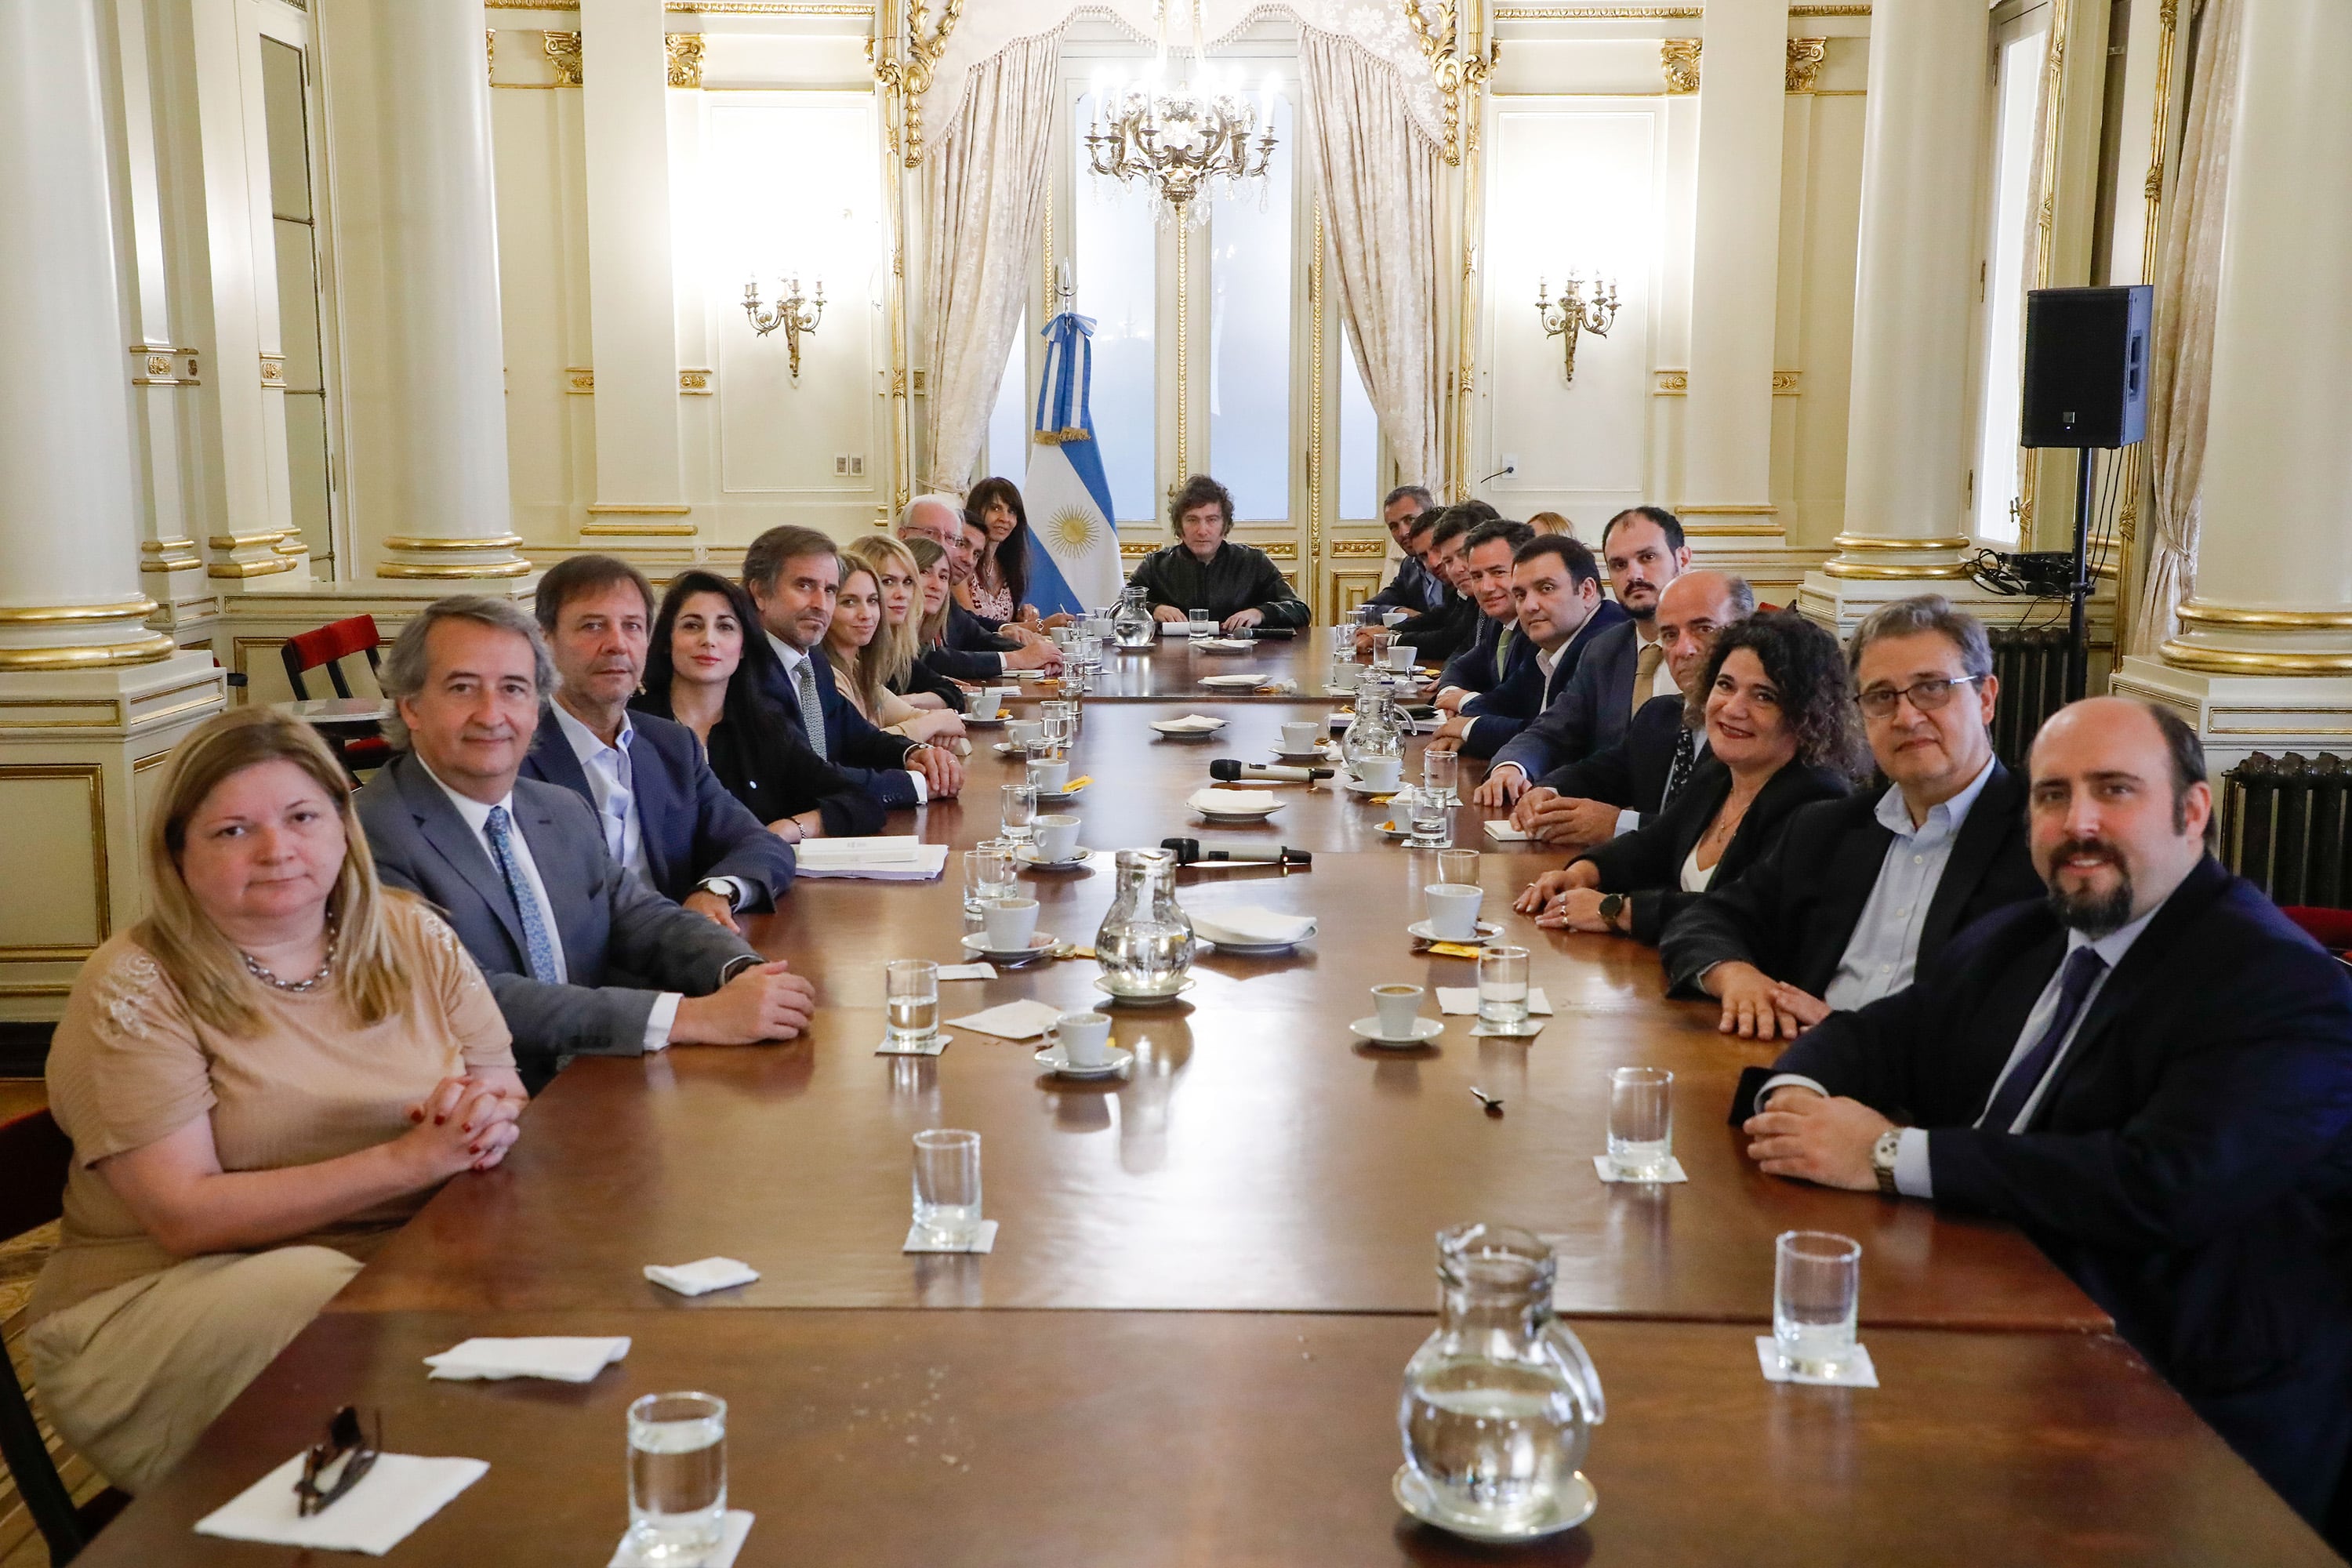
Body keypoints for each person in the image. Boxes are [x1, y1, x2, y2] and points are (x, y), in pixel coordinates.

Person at [1740, 698, 2352, 1541]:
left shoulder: (2278, 984)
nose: (2080, 822)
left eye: (2115, 790)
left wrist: (1885, 1153)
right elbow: (1879, 1035)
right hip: (1987, 1312)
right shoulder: (2028, 933)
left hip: (2178, 1409)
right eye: (2054, 795)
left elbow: (2161, 1185)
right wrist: (1799, 1100)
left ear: (2193, 810)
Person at [28, 709, 525, 1492]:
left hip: (395, 1269)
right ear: (177, 851)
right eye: (232, 831)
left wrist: (484, 1114)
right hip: (169, 1302)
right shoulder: (136, 985)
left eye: (301, 816)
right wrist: (407, 1159)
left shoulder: (412, 934)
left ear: (340, 821)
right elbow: (184, 1214)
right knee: (336, 1303)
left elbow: (501, 1079)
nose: (277, 849)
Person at [357, 596, 816, 1090]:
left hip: (596, 1080)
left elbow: (640, 917)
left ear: (537, 708)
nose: (492, 714)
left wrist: (741, 972)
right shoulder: (371, 833)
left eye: (514, 689)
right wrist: (688, 1017)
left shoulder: (557, 809)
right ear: (411, 708)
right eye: (463, 688)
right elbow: (466, 995)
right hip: (477, 1108)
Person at [1664, 596, 2044, 1039]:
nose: (1906, 716)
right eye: (1882, 697)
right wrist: (1736, 977)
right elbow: (1705, 919)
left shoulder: (2039, 840)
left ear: (1985, 698)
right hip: (1790, 1068)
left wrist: (1846, 1037)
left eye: (1932, 688)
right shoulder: (1826, 829)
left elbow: (2007, 1029)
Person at [1513, 612, 1863, 946]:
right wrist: (1581, 873)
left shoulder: (1816, 800)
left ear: (1808, 713)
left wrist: (1617, 910)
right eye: (1725, 686)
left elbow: (1746, 913)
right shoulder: (1721, 773)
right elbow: (1653, 845)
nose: (1733, 708)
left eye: (1763, 696)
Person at [521, 555, 795, 934]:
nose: (617, 644)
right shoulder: (514, 753)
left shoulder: (670, 745)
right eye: (593, 626)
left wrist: (716, 891)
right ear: (544, 640)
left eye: (632, 627)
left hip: (678, 958)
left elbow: (759, 844)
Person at [633, 569, 886, 844]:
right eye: (692, 626)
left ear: (743, 647)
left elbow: (862, 802)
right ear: (667, 642)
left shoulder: (764, 728)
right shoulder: (633, 726)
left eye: (725, 627)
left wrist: (788, 830)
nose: (709, 640)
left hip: (753, 877)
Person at [1506, 571, 1754, 844]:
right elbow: (1602, 774)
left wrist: (1619, 825)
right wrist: (1547, 792)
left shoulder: (1753, 728)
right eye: (1670, 635)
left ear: (1747, 633)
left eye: (1704, 629)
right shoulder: (1660, 715)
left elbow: (1731, 834)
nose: (1683, 649)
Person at [1474, 505, 1693, 806]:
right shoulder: (1606, 649)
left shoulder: (1720, 650)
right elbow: (1554, 730)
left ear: (1682, 559)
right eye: (1618, 565)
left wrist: (1618, 825)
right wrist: (1512, 767)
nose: (1634, 574)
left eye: (1648, 557)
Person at [742, 524, 965, 809]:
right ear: (760, 593)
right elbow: (804, 774)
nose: (821, 604)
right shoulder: (748, 671)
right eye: (804, 586)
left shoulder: (811, 662)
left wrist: (914, 753)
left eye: (830, 590)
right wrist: (915, 785)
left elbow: (860, 738)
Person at [1429, 535, 1628, 758]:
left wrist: (1468, 729)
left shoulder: (1606, 645)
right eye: (1521, 595)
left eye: (1546, 588)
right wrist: (1459, 724)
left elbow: (1559, 740)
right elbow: (1506, 700)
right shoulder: (1552, 639)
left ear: (1587, 592)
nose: (1529, 606)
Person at [1127, 474, 1310, 630]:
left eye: (1212, 520)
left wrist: (1260, 613)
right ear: (1180, 527)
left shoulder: (1253, 562)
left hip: (1240, 662)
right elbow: (1118, 608)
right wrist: (1153, 609)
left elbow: (1300, 610)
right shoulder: (1155, 565)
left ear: (1225, 526)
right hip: (1173, 661)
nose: (1202, 530)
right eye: (1192, 520)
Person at [826, 556, 971, 751]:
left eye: (872, 601)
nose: (866, 614)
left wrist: (939, 721)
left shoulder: (858, 669)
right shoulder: (825, 675)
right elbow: (859, 748)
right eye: (849, 602)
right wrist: (934, 724)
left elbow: (916, 716)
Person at [843, 533, 965, 712]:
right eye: (888, 582)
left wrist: (905, 703)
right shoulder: (846, 652)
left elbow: (951, 694)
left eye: (907, 582)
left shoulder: (894, 649)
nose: (902, 594)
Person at [964, 476, 1073, 630]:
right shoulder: (962, 564)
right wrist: (1040, 626)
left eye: (1012, 512)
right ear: (976, 510)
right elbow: (972, 629)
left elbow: (1000, 622)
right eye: (995, 509)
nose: (1005, 519)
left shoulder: (1006, 564)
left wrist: (1021, 616)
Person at [1360, 485, 1443, 615]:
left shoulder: (1457, 563)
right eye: (1394, 526)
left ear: (1431, 518)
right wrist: (1400, 612)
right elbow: (1367, 609)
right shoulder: (1410, 567)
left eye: (1410, 520)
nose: (1403, 532)